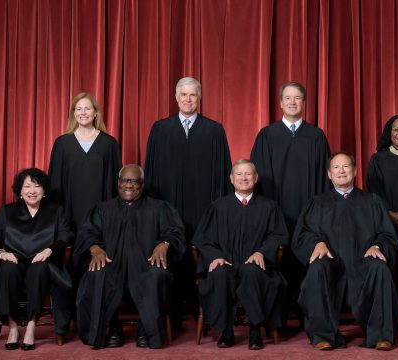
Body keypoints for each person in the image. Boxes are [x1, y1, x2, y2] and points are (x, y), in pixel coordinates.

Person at [144, 77, 232, 326]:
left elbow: (223, 172)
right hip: (168, 206)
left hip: (203, 206)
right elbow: (149, 172)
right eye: (183, 94)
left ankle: (201, 307)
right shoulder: (160, 129)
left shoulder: (214, 130)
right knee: (170, 253)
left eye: (192, 95)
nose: (188, 99)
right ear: (176, 97)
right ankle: (170, 311)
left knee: (200, 252)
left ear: (199, 97)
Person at [292, 152, 398, 351]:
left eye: (346, 166)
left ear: (355, 171)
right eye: (336, 167)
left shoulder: (372, 201)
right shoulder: (317, 202)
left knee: (380, 268)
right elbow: (302, 234)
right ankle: (323, 335)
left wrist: (377, 246)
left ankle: (381, 335)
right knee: (316, 269)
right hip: (332, 265)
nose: (341, 171)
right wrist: (317, 243)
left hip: (363, 263)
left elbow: (387, 234)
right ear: (329, 174)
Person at [73, 164, 186, 349]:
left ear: (142, 184)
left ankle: (147, 329)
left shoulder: (159, 208)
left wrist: (164, 245)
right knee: (95, 274)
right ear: (118, 183)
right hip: (112, 265)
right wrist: (94, 248)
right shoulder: (103, 209)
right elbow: (86, 233)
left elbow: (175, 232)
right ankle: (111, 328)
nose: (129, 185)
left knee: (158, 275)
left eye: (134, 181)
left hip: (146, 265)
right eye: (125, 180)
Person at [250, 81, 331, 319]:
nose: (293, 102)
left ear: (304, 103)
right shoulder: (267, 135)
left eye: (297, 98)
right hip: (278, 211)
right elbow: (258, 180)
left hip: (309, 213)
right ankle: (277, 311)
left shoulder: (316, 136)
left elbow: (325, 180)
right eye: (288, 98)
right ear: (280, 102)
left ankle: (309, 310)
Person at [192, 159, 288, 350]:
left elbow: (279, 235)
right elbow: (202, 239)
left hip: (256, 265)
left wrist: (262, 252)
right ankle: (226, 332)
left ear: (256, 178)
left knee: (252, 271)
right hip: (226, 261)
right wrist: (215, 256)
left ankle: (255, 330)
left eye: (248, 174)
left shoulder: (269, 207)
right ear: (231, 178)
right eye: (239, 174)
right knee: (220, 274)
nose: (244, 178)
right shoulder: (218, 207)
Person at [0, 168, 73, 351]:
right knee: (6, 269)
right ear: (20, 191)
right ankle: (13, 327)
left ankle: (31, 325)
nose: (32, 190)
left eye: (37, 186)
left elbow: (66, 236)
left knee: (38, 269)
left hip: (42, 262)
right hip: (14, 261)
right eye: (27, 186)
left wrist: (50, 250)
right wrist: (2, 253)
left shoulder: (56, 211)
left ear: (44, 191)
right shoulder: (7, 211)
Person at [48, 92, 122, 231]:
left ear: (95, 113)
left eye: (87, 108)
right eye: (79, 109)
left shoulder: (109, 144)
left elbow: (115, 183)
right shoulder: (62, 143)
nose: (83, 113)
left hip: (101, 216)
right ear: (74, 114)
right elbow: (55, 182)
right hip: (69, 215)